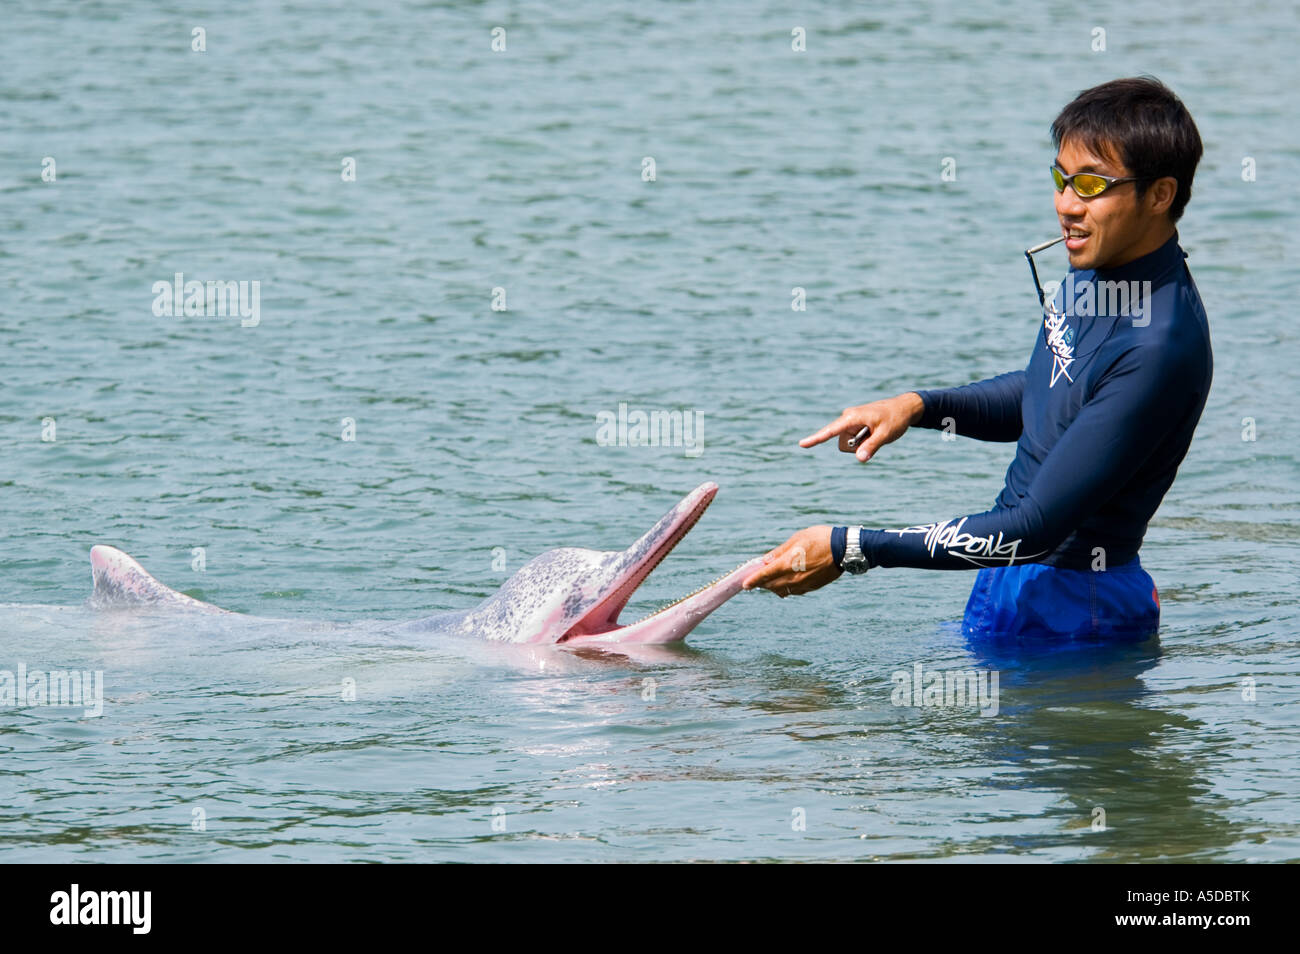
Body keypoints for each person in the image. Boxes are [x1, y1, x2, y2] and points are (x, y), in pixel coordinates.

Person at [742, 76, 1211, 640]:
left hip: (1074, 613)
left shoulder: (1159, 345)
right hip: (1013, 585)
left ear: (1159, 195)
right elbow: (1051, 394)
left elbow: (1035, 530)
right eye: (1061, 179)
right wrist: (917, 407)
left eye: (1090, 185)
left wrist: (851, 548)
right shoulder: (1101, 267)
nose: (1066, 205)